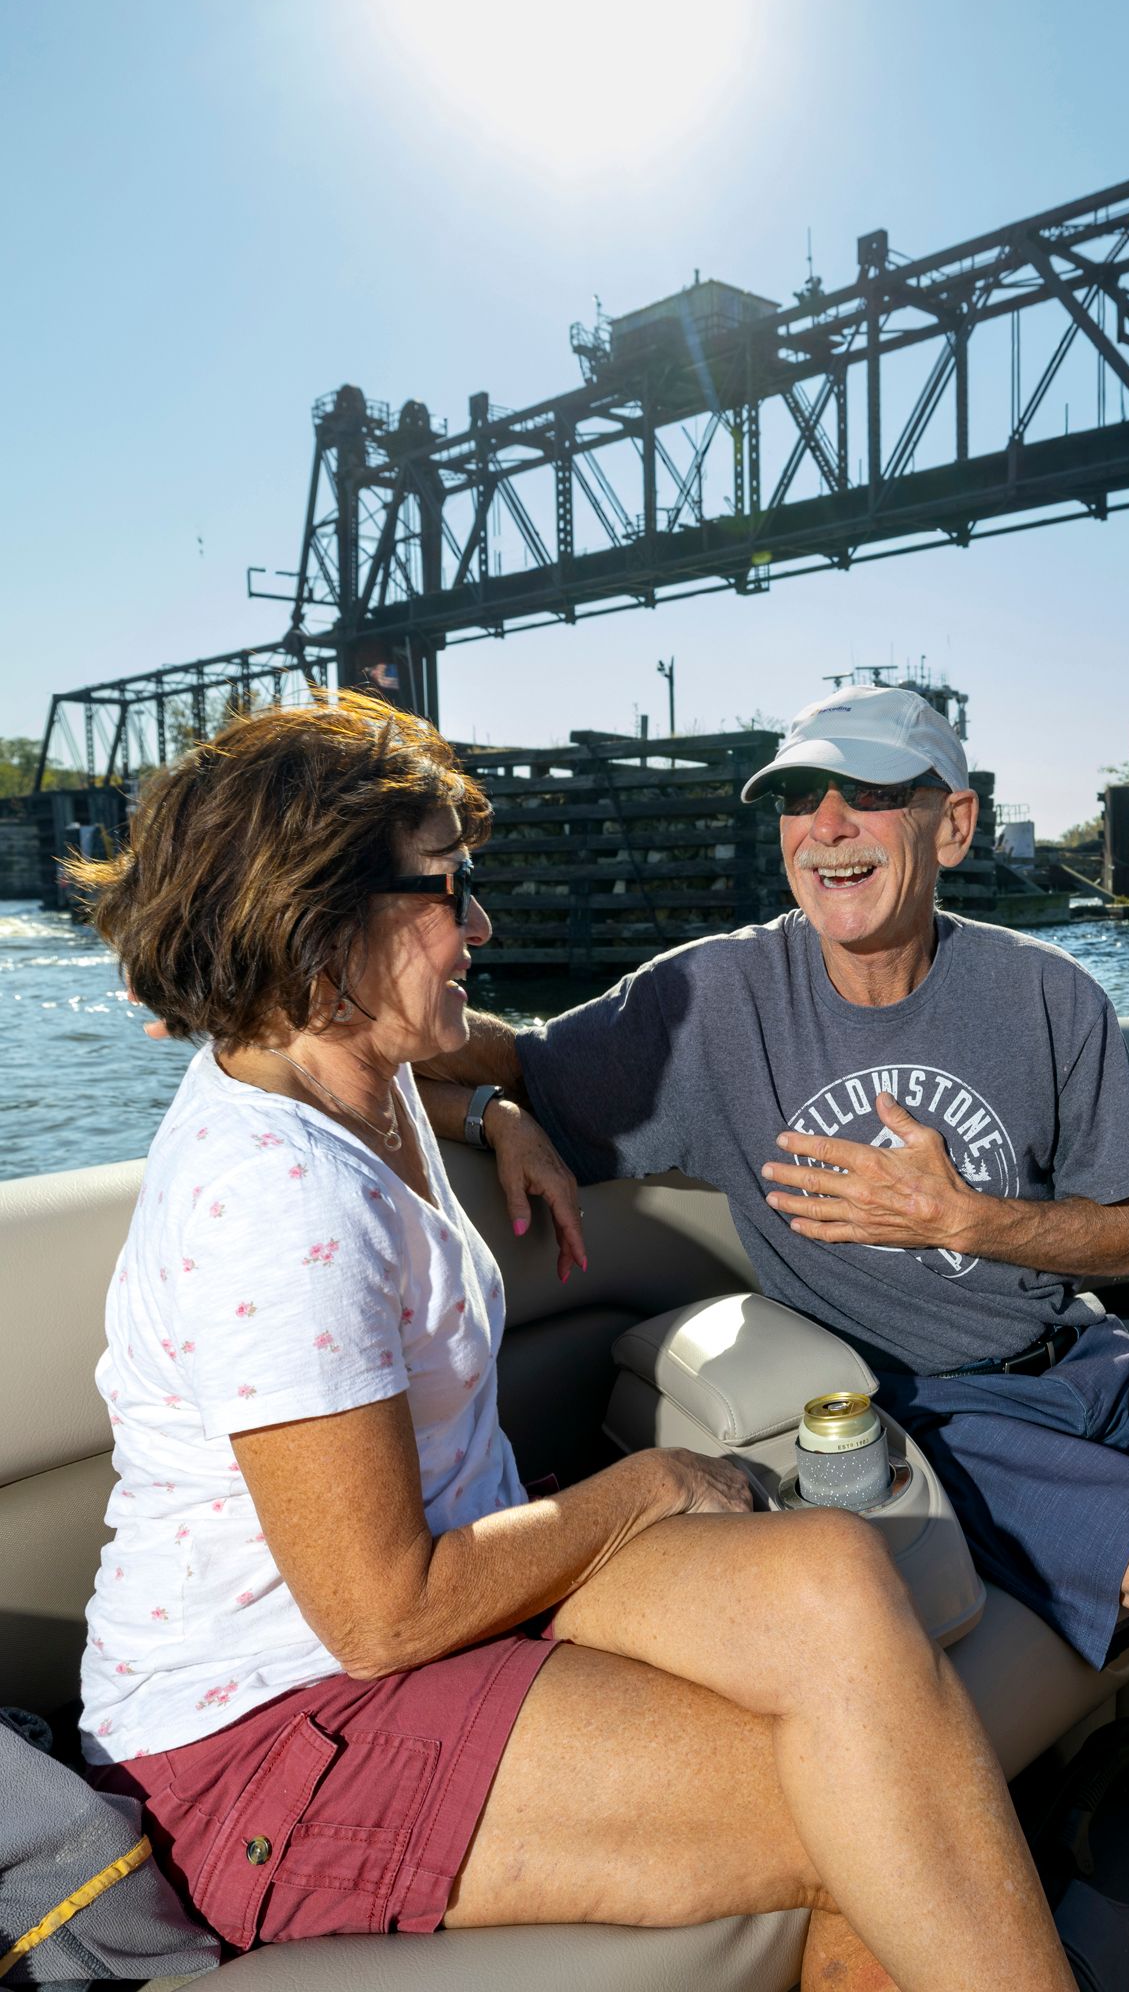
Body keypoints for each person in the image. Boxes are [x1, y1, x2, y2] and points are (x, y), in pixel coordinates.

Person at [427, 684, 1129, 1992]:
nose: (825, 825)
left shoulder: (1049, 996)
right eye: (797, 798)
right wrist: (505, 1114)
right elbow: (489, 1053)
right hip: (936, 1414)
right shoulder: (719, 1005)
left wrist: (972, 1217)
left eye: (868, 793)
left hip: (1094, 1359)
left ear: (954, 825)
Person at [77, 693, 1073, 1992]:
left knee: (833, 1572)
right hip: (267, 1738)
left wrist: (497, 1104)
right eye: (448, 891)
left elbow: (476, 1065)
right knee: (884, 1824)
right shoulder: (272, 1201)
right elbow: (384, 1616)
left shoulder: (351, 1065)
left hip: (426, 1620)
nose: (482, 923)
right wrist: (652, 1486)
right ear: (321, 924)